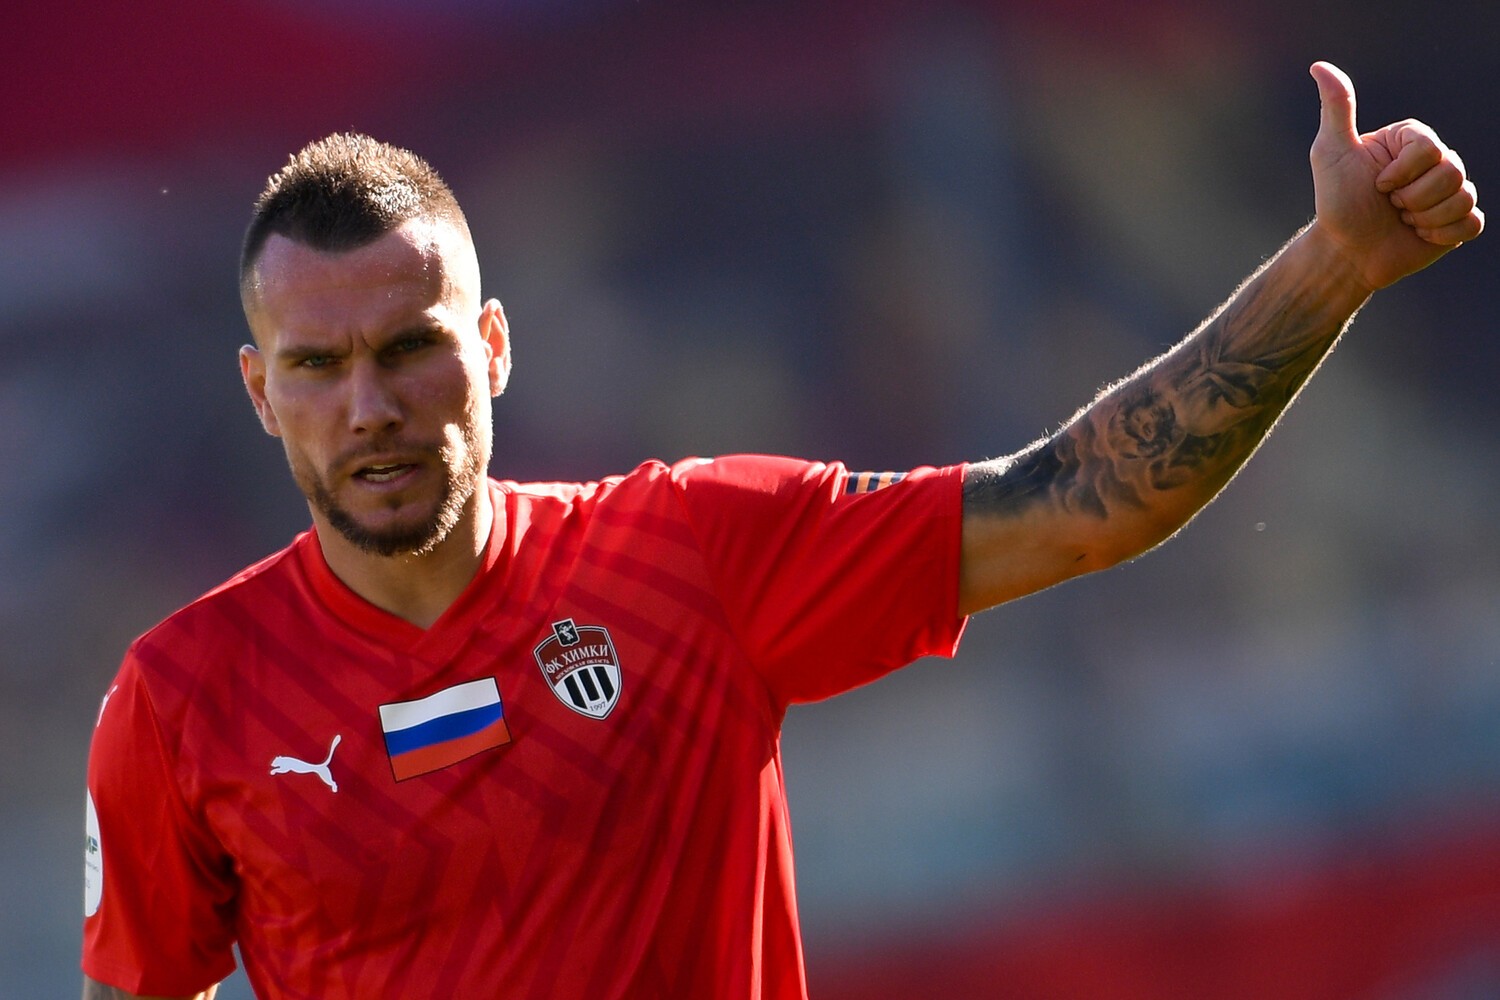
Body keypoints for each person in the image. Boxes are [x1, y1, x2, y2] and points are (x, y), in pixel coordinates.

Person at [81, 61, 1480, 1000]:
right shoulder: (181, 702)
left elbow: (1080, 504)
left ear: (493, 348)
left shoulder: (685, 552)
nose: (369, 406)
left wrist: (1336, 264)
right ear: (259, 391)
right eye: (317, 368)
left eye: (409, 348)